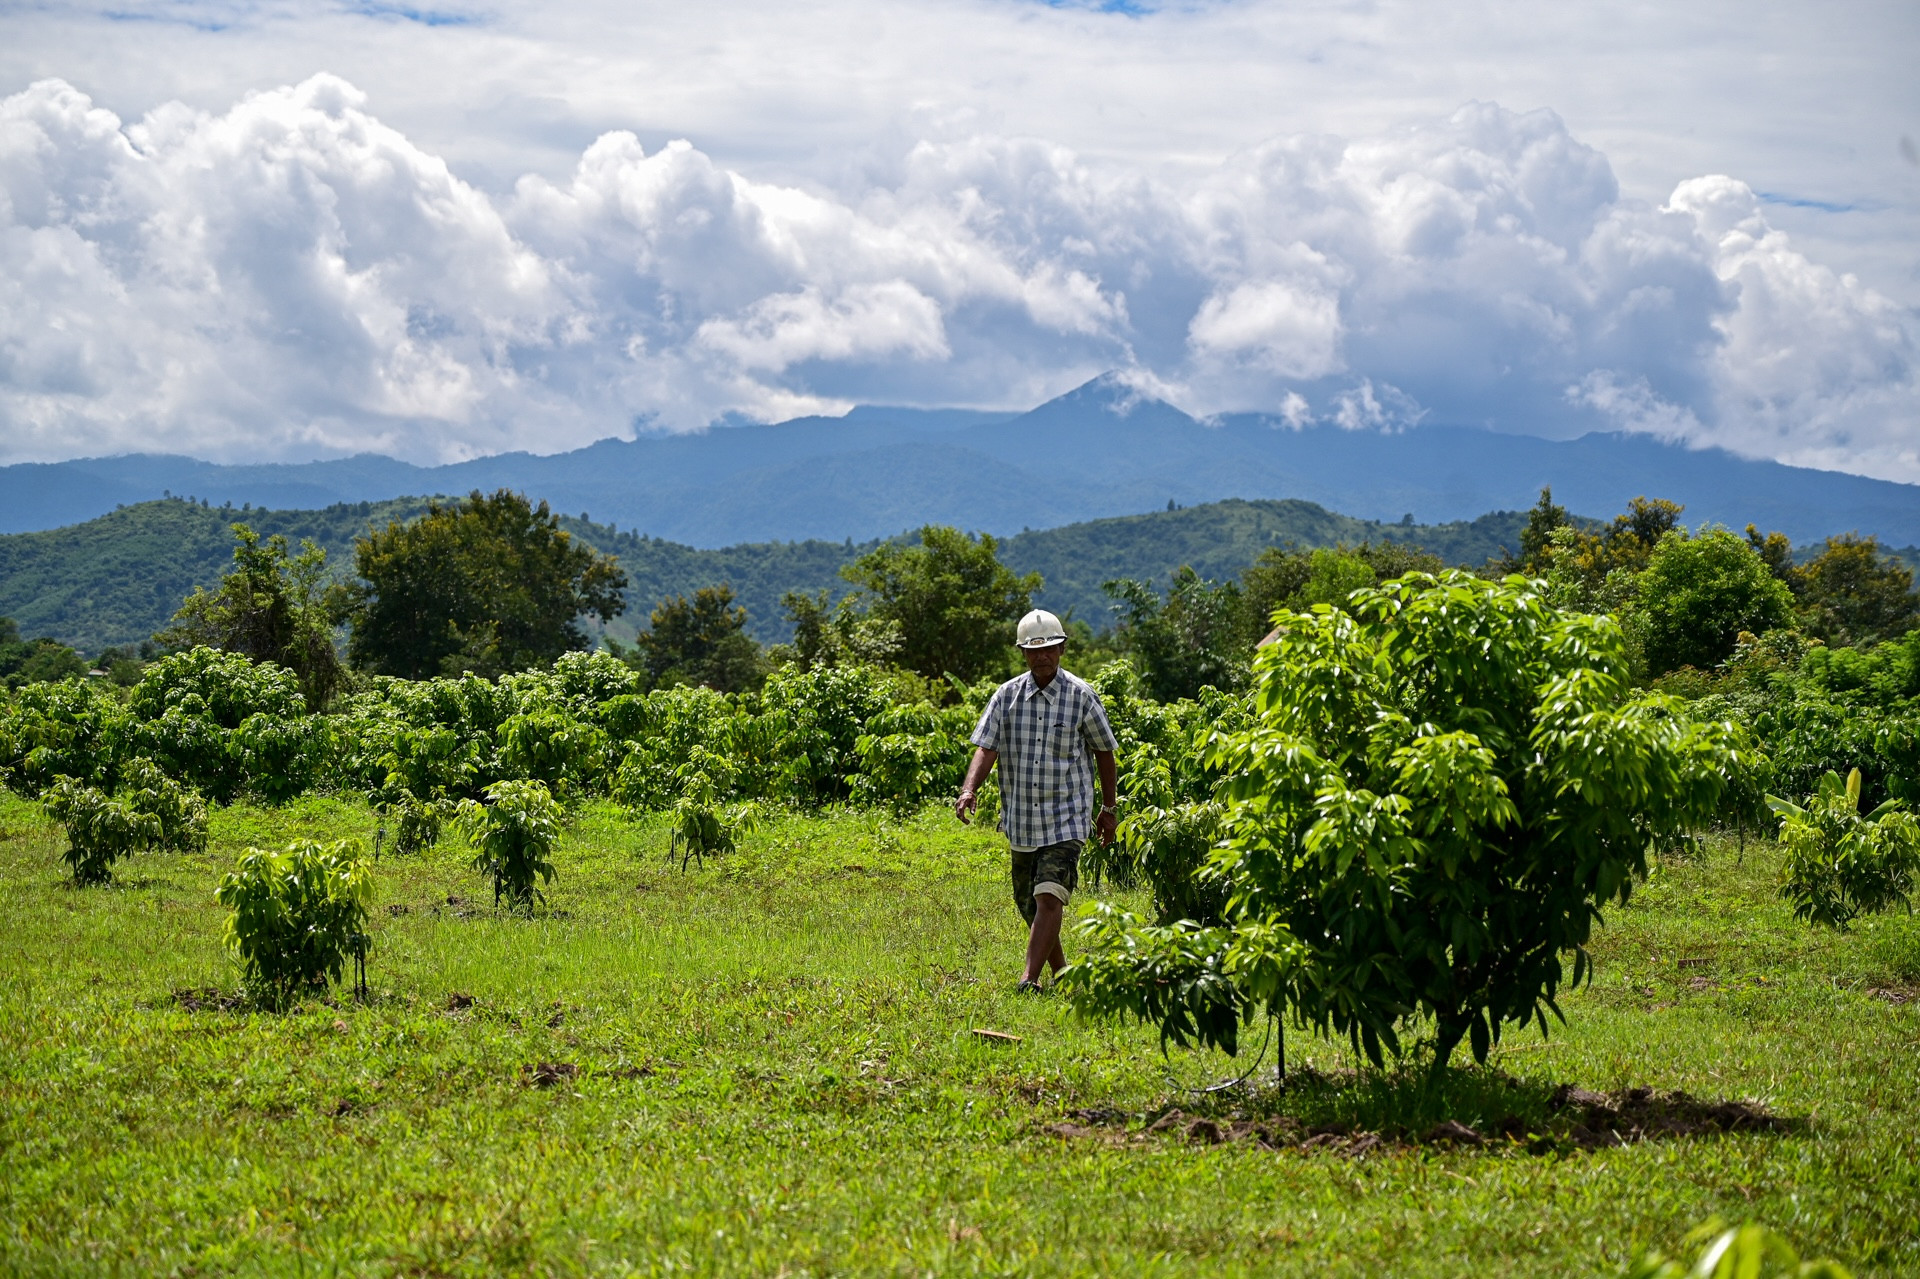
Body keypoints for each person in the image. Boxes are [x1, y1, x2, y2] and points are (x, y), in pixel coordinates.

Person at [954, 608, 1119, 991]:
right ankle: (1062, 972)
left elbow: (1104, 753)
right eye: (1034, 650)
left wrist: (1108, 810)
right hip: (1022, 817)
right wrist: (969, 788)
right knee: (1029, 902)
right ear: (1023, 653)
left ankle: (1028, 980)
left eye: (1049, 648)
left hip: (1067, 814)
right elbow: (986, 748)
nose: (1042, 656)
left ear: (1062, 649)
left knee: (1049, 894)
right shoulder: (1007, 696)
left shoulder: (1081, 696)